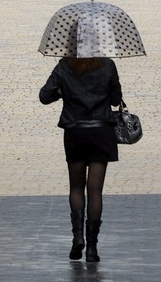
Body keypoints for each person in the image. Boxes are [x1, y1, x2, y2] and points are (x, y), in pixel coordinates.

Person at [39, 40, 123, 261]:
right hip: (101, 132)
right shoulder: (107, 65)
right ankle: (93, 248)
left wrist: (62, 90)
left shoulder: (65, 65)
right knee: (95, 190)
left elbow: (44, 96)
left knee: (76, 187)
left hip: (75, 132)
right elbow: (115, 100)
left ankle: (77, 238)